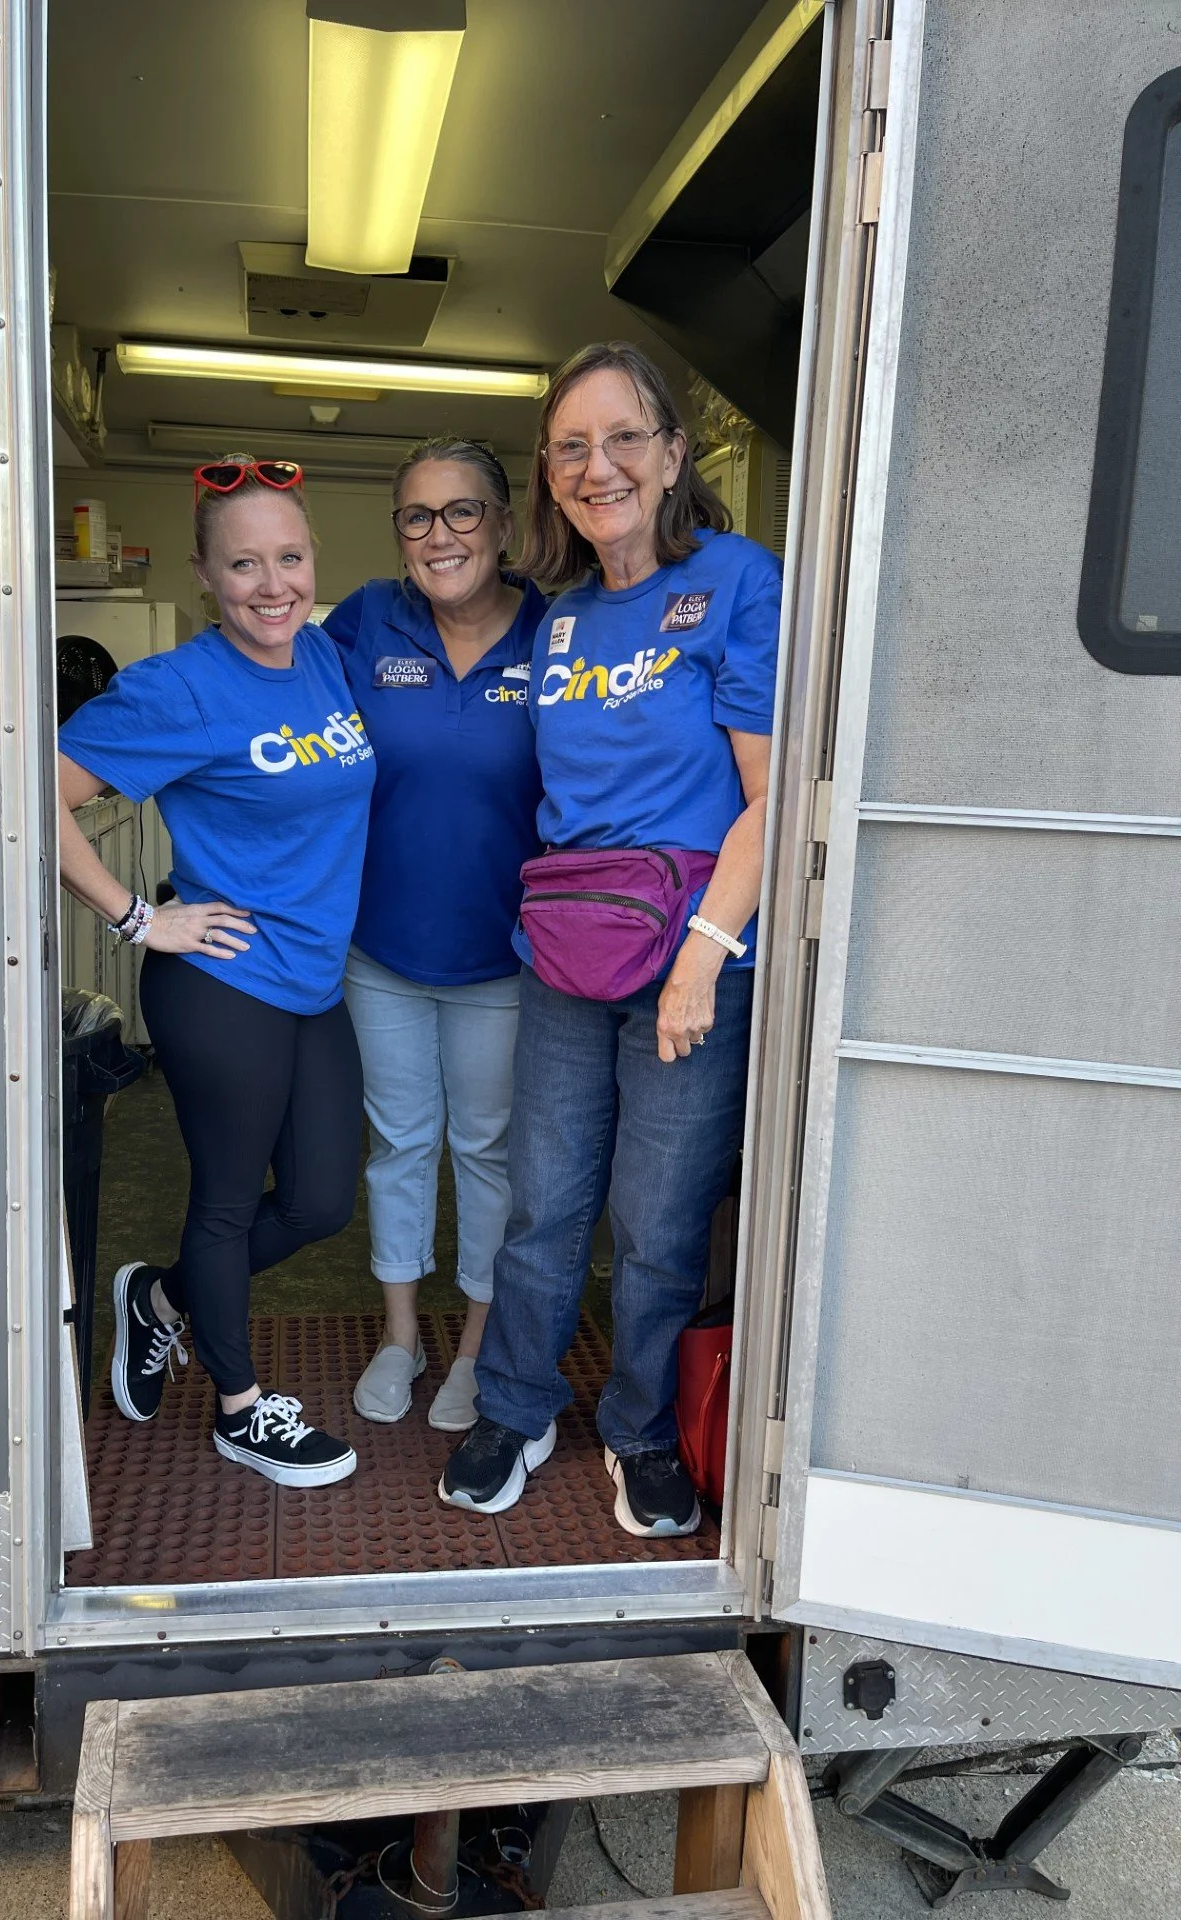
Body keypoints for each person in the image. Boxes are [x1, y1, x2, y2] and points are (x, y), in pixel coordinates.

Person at [439, 342, 781, 1537]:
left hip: (691, 951)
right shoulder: (563, 618)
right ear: (551, 474)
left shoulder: (738, 581)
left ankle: (637, 1429)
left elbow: (770, 796)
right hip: (568, 954)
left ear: (675, 453)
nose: (601, 466)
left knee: (656, 1217)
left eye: (625, 437)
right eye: (573, 446)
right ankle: (519, 1404)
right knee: (545, 1201)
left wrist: (703, 959)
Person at [56, 457, 376, 1488]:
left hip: (312, 984)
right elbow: (22, 795)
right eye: (244, 564)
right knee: (230, 1202)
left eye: (288, 557)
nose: (271, 584)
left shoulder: (324, 657)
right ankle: (241, 1410)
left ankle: (160, 1300)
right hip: (221, 982)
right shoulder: (177, 688)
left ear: (312, 558)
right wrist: (140, 917)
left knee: (323, 1201)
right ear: (205, 573)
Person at [324, 440, 548, 1431]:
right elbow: (286, 732)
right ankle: (404, 1337)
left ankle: (475, 1348)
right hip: (383, 953)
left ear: (503, 525)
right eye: (417, 516)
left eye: (463, 512)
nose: (440, 533)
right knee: (402, 1146)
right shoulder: (367, 620)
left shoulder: (558, 631)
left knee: (489, 1151)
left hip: (505, 956)